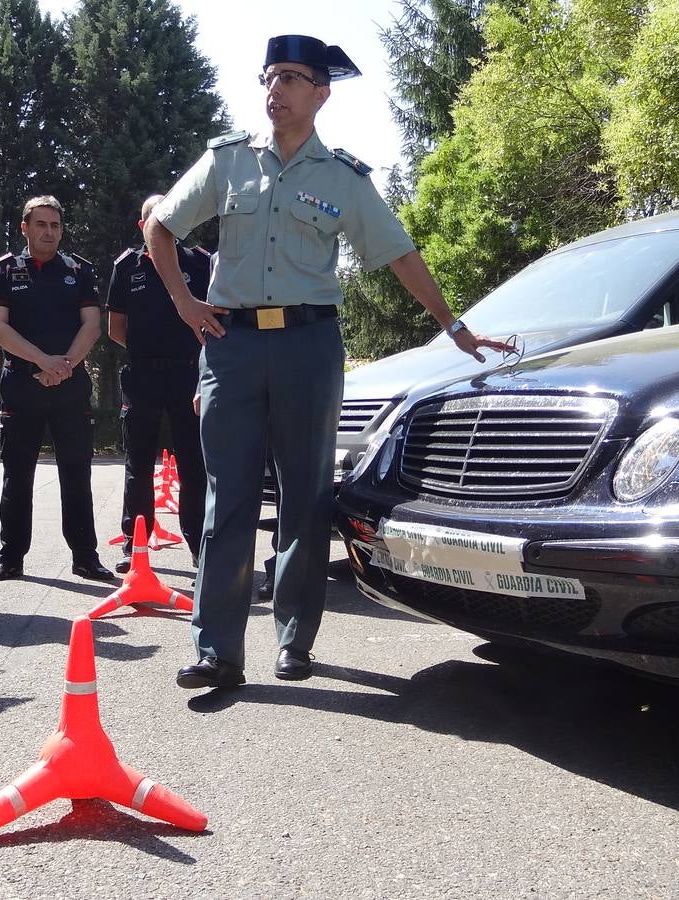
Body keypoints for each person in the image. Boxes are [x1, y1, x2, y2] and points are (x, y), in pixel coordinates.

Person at [144, 36, 511, 688]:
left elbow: (398, 252)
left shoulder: (342, 177)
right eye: (269, 77)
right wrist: (183, 301)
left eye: (290, 78)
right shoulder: (228, 161)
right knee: (227, 500)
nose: (274, 89)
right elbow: (161, 226)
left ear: (321, 93)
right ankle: (217, 651)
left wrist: (452, 325)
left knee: (305, 497)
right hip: (232, 347)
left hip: (308, 348)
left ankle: (294, 639)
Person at [0, 196, 115, 584]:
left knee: (76, 473)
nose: (49, 232)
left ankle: (85, 557)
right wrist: (43, 360)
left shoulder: (78, 270)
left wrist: (64, 365)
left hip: (69, 386)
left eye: (55, 225)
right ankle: (10, 558)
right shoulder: (4, 271)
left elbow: (92, 325)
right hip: (21, 385)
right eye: (41, 224)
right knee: (17, 475)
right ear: (25, 228)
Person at [106, 194, 211, 575]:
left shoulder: (199, 262)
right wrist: (148, 351)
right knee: (137, 465)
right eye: (154, 218)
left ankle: (200, 546)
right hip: (143, 376)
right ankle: (135, 546)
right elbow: (116, 329)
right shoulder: (126, 267)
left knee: (194, 465)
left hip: (188, 375)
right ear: (142, 226)